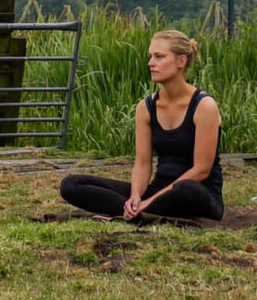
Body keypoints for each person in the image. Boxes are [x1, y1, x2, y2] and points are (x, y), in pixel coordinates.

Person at [58, 29, 225, 221]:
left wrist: (150, 200)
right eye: (151, 56)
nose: (151, 63)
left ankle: (142, 212)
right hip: (158, 191)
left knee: (185, 188)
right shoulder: (146, 107)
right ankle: (136, 212)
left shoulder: (204, 105)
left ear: (181, 61)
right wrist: (136, 196)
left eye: (159, 57)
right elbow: (143, 163)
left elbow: (201, 170)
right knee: (72, 184)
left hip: (197, 194)